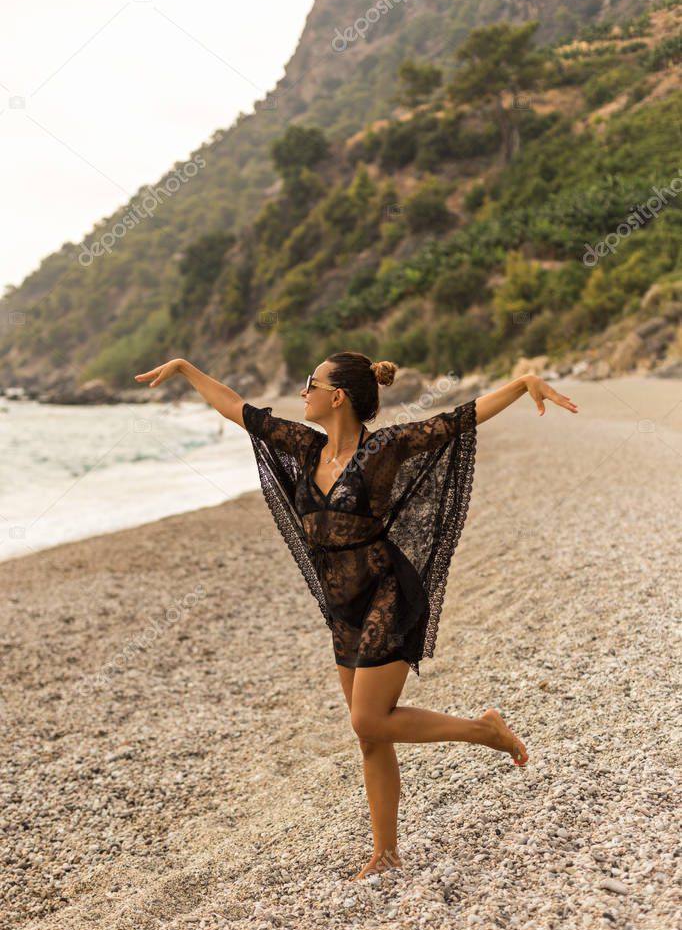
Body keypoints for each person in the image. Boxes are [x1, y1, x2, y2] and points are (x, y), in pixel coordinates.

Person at [134, 352, 578, 881]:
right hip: (341, 608)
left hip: (387, 595)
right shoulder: (304, 447)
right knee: (371, 736)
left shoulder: (383, 450)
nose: (303, 394)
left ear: (336, 395)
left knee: (367, 718)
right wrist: (185, 369)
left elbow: (459, 418)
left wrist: (523, 381)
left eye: (310, 384)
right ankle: (386, 852)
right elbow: (236, 408)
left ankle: (486, 732)